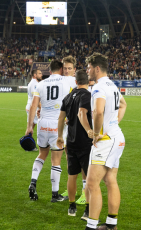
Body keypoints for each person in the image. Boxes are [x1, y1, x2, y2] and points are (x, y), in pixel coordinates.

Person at [85, 53, 127, 230]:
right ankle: (111, 225)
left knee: (92, 183)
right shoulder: (113, 85)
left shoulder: (99, 87)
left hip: (106, 140)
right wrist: (114, 123)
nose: (87, 71)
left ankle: (91, 226)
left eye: (88, 67)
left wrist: (95, 133)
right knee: (110, 180)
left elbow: (98, 112)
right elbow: (124, 104)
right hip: (117, 137)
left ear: (96, 68)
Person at [26, 60, 76, 202]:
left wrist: (29, 126)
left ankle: (33, 182)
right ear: (61, 69)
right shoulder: (68, 81)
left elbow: (33, 106)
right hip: (57, 124)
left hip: (42, 124)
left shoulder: (41, 84)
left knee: (42, 154)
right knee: (56, 160)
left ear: (49, 69)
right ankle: (55, 195)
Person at [57, 70, 93, 219]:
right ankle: (87, 209)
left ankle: (72, 207)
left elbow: (61, 118)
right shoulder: (88, 96)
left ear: (76, 81)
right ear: (88, 81)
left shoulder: (68, 97)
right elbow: (82, 114)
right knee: (89, 177)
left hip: (70, 141)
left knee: (72, 175)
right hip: (85, 141)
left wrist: (60, 136)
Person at [61, 56, 86, 204]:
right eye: (65, 68)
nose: (67, 70)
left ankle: (84, 191)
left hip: (77, 126)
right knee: (69, 158)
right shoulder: (61, 82)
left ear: (74, 70)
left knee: (83, 160)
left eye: (69, 68)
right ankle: (72, 189)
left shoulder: (75, 84)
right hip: (65, 128)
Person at [25, 69, 43, 152]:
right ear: (34, 75)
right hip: (33, 108)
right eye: (39, 73)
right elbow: (35, 98)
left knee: (31, 127)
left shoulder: (34, 83)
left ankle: (29, 145)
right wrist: (41, 108)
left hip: (32, 107)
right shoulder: (34, 84)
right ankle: (28, 146)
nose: (41, 74)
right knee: (30, 127)